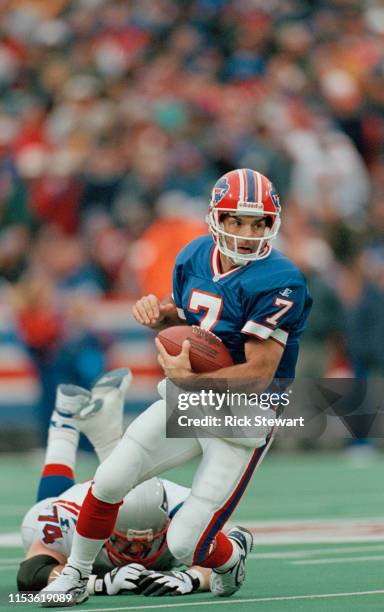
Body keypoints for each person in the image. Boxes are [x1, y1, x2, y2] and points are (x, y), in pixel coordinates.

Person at [41, 168, 312, 606]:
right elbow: (194, 317)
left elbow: (260, 373)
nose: (246, 233)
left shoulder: (280, 279)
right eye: (236, 220)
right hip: (191, 395)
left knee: (187, 545)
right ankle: (75, 574)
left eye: (257, 222)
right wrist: (161, 312)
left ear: (272, 224)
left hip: (244, 413)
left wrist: (189, 379)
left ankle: (230, 557)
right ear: (216, 219)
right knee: (109, 480)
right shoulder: (192, 256)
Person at [19, 368, 211, 597]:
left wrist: (192, 579)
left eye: (146, 543)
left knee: (122, 474)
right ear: (104, 528)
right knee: (41, 511)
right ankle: (64, 424)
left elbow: (226, 556)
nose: (137, 553)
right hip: (76, 503)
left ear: (166, 525)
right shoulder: (68, 516)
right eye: (127, 544)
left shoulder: (182, 507)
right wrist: (99, 583)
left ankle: (96, 431)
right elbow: (30, 574)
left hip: (122, 490)